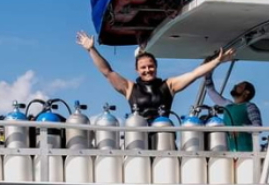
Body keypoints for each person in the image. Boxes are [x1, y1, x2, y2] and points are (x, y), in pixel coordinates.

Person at [75, 31, 233, 119]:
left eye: (150, 66)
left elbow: (194, 74)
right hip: (138, 140)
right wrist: (91, 50)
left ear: (156, 67)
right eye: (143, 67)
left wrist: (217, 61)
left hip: (164, 138)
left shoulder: (169, 85)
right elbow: (107, 71)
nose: (147, 70)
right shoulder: (130, 88)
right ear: (137, 70)